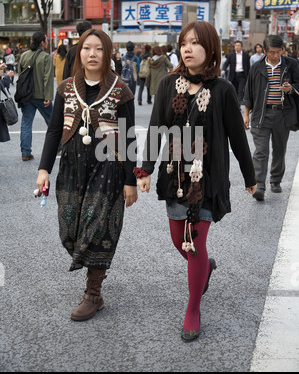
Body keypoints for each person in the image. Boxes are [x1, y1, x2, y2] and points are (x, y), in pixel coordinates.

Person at [135, 21, 256, 342]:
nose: (187, 49)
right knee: (180, 241)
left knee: (195, 244)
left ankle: (193, 307)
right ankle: (204, 268)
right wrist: (144, 169)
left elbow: (237, 138)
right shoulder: (168, 85)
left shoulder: (223, 90)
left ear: (211, 49)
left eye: (195, 43)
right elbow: (156, 128)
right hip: (175, 177)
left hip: (207, 179)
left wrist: (250, 176)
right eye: (183, 43)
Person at [36, 29, 138, 322]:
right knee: (70, 229)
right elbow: (55, 130)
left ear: (108, 54)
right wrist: (44, 168)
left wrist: (131, 179)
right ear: (78, 53)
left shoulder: (121, 90)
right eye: (86, 48)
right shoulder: (66, 87)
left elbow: (129, 138)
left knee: (98, 229)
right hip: (71, 166)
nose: (92, 54)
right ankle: (91, 274)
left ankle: (93, 293)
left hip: (108, 168)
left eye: (99, 49)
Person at [243, 34, 299, 202]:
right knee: (260, 151)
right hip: (262, 114)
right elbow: (248, 92)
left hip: (283, 114)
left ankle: (275, 180)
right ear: (265, 51)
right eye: (272, 52)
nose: (276, 56)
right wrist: (246, 114)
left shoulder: (292, 65)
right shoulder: (256, 68)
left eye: (279, 52)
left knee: (279, 150)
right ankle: (259, 185)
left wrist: (291, 89)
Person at [18, 31, 54, 161]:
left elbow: (20, 77)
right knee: (52, 121)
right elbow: (48, 78)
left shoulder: (24, 56)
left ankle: (25, 152)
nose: (47, 42)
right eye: (46, 40)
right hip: (42, 96)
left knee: (26, 123)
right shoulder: (46, 57)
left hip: (27, 96)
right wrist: (48, 96)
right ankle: (60, 146)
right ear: (42, 42)